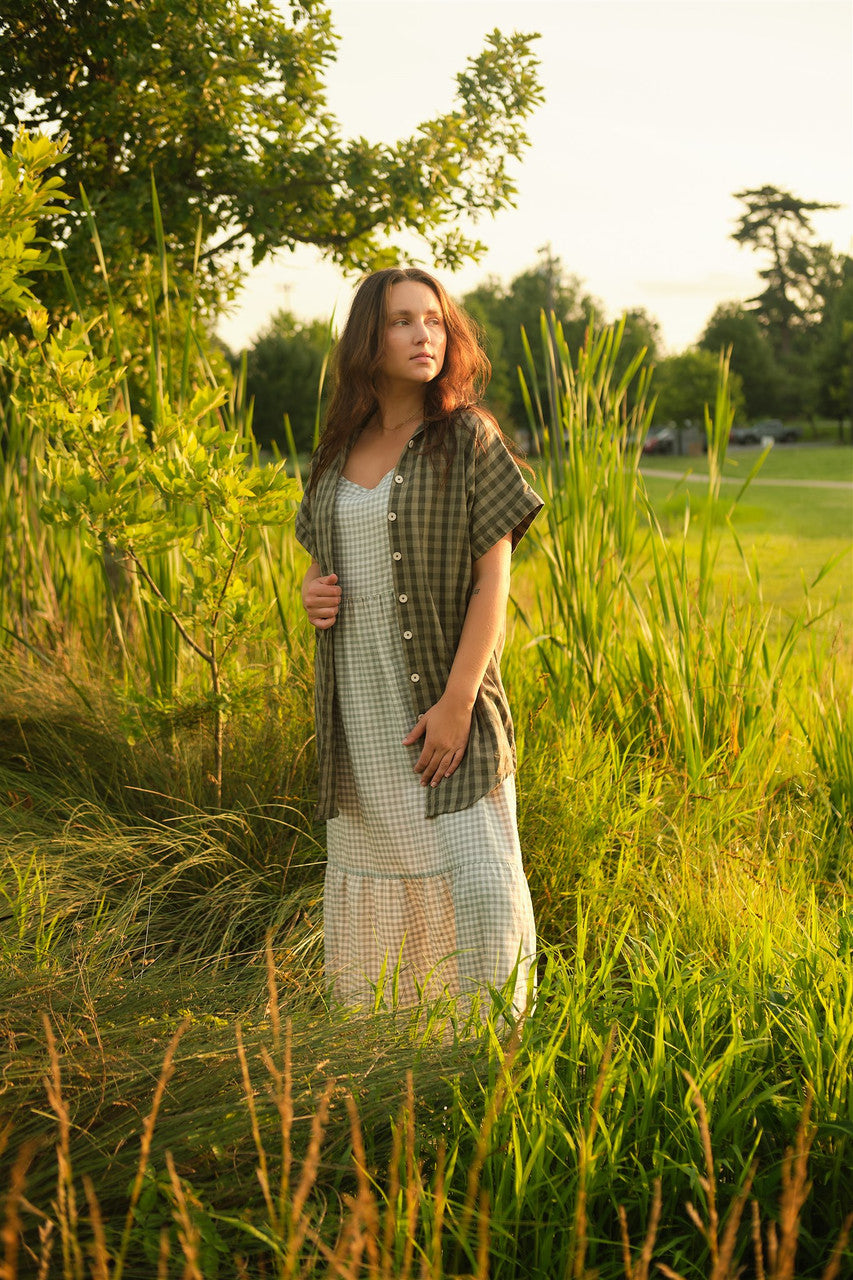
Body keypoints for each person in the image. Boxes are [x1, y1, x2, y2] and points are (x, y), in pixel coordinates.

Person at [295, 267, 542, 1016]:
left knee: (477, 881)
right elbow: (318, 567)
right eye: (403, 321)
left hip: (443, 707)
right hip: (361, 716)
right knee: (385, 887)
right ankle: (392, 1058)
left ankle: (489, 1061)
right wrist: (312, 593)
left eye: (433, 321)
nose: (423, 334)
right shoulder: (335, 452)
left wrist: (457, 703)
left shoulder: (465, 436)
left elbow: (491, 584)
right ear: (368, 339)